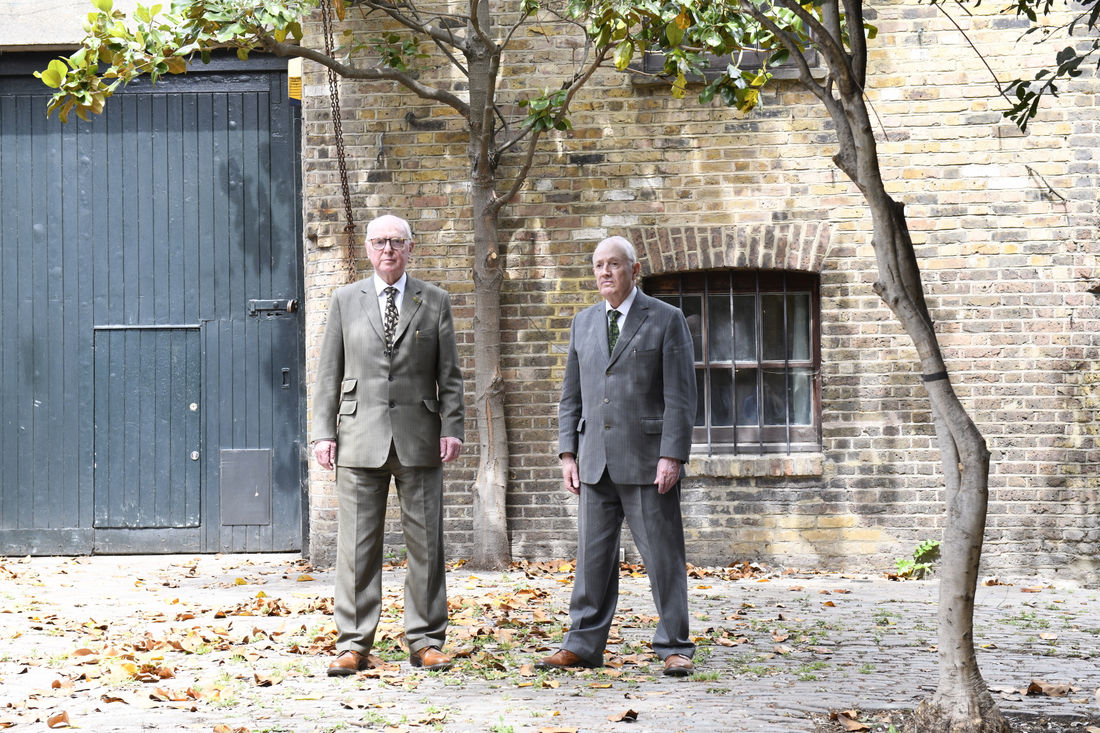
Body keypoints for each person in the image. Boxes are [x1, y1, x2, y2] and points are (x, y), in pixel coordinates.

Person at [538, 235, 698, 677]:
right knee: (592, 560)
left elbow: (681, 397)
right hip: (593, 461)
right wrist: (567, 452)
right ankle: (583, 645)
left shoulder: (666, 319)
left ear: (634, 268)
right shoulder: (583, 323)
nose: (605, 273)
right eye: (598, 266)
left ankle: (674, 645)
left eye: (613, 264)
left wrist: (672, 456)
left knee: (662, 557)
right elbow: (571, 395)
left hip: (649, 463)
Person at [312, 214, 464, 676]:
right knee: (357, 547)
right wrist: (323, 432)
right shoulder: (344, 300)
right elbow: (328, 374)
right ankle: (354, 644)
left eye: (396, 242)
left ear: (411, 248)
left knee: (426, 545)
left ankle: (426, 640)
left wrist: (451, 427)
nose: (388, 250)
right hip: (359, 438)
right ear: (368, 248)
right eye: (379, 242)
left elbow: (449, 376)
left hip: (420, 437)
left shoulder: (434, 301)